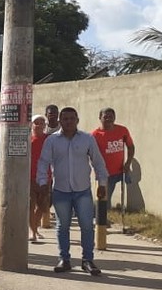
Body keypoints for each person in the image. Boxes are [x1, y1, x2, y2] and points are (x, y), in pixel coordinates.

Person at [36, 107, 109, 276]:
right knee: (62, 226)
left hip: (82, 190)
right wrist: (42, 182)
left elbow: (98, 162)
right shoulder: (52, 141)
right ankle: (64, 259)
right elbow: (43, 162)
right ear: (60, 121)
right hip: (61, 190)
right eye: (65, 119)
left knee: (86, 226)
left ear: (77, 120)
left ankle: (88, 260)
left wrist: (102, 183)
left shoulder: (87, 139)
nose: (68, 121)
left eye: (72, 118)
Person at [91, 107, 135, 209]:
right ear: (100, 118)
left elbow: (130, 146)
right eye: (105, 117)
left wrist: (128, 163)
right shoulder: (95, 135)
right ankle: (101, 219)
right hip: (105, 173)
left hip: (121, 170)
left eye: (111, 117)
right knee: (104, 199)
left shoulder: (122, 130)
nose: (108, 119)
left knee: (130, 185)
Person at [29, 115, 51, 242]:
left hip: (45, 178)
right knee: (30, 206)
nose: (39, 125)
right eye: (36, 122)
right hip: (30, 178)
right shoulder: (27, 140)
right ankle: (32, 232)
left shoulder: (49, 139)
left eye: (42, 123)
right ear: (31, 124)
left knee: (42, 207)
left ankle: (35, 228)